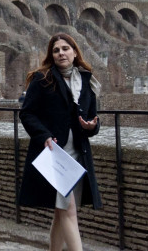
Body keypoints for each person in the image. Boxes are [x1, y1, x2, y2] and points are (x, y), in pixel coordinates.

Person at [18, 33, 102, 251]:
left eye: (65, 48)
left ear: (75, 52)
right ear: (51, 55)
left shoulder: (86, 80)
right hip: (55, 153)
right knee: (68, 210)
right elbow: (27, 114)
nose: (61, 53)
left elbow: (92, 116)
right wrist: (44, 135)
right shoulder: (42, 78)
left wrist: (92, 125)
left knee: (61, 210)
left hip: (78, 153)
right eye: (56, 50)